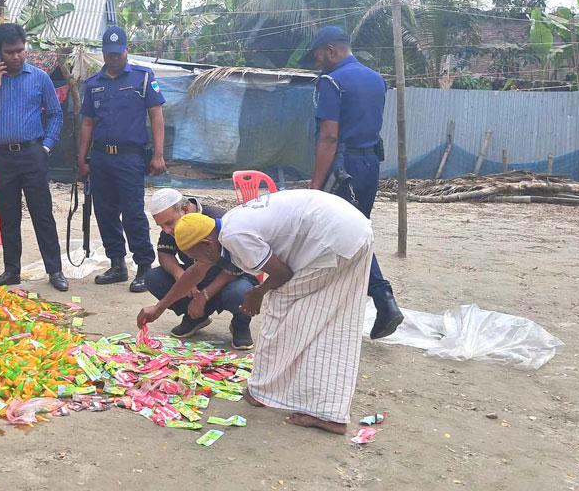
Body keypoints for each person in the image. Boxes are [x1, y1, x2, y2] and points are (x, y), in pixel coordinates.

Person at [139, 189, 375, 435]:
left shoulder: (236, 236)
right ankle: (326, 409)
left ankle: (263, 391)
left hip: (335, 239)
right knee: (325, 320)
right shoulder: (221, 230)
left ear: (207, 245)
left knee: (282, 305)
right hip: (348, 230)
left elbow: (282, 275)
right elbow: (195, 273)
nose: (197, 261)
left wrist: (258, 292)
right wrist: (159, 307)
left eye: (196, 256)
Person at [304, 25, 403, 340]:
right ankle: (347, 303)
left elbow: (329, 136)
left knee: (343, 233)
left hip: (343, 167)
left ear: (331, 50)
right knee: (354, 229)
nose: (318, 61)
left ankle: (383, 298)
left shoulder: (333, 81)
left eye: (319, 55)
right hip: (370, 164)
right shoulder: (376, 79)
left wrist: (316, 185)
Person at [0, 23, 68, 292]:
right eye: (10, 52)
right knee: (8, 215)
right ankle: (12, 271)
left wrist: (46, 146)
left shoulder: (39, 77)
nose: (16, 56)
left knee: (42, 214)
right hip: (1, 157)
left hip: (32, 154)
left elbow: (56, 114)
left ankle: (55, 271)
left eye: (21, 50)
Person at [78, 25, 166, 293]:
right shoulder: (93, 85)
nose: (114, 57)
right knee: (105, 213)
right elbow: (87, 124)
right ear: (103, 53)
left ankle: (143, 267)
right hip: (102, 158)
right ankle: (117, 264)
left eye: (118, 53)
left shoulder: (142, 77)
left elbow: (156, 115)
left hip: (130, 158)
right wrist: (82, 158)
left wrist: (159, 155)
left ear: (127, 50)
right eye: (109, 54)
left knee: (132, 212)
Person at [145, 188, 254, 349]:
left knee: (240, 292)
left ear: (185, 209)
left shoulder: (220, 220)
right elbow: (164, 254)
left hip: (232, 277)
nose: (167, 230)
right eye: (161, 226)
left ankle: (241, 324)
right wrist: (179, 274)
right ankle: (195, 317)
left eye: (168, 223)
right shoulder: (171, 225)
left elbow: (234, 268)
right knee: (154, 278)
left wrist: (203, 296)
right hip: (197, 277)